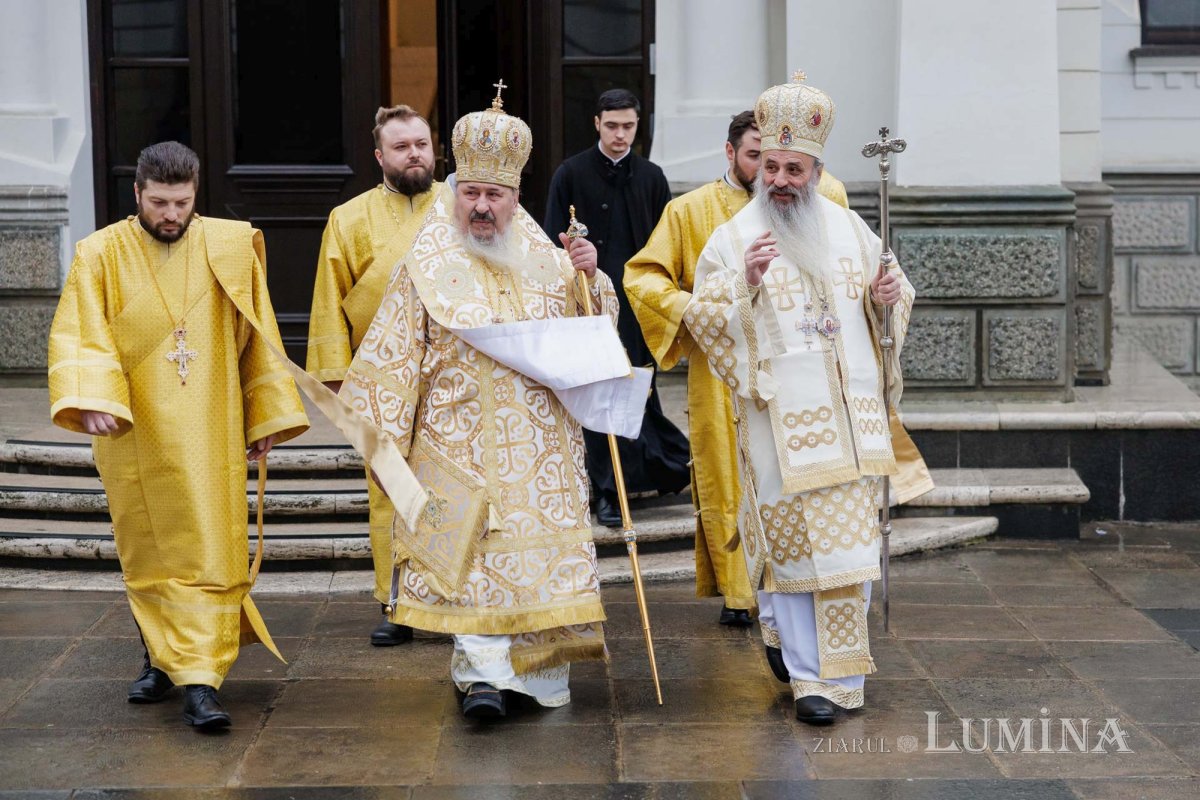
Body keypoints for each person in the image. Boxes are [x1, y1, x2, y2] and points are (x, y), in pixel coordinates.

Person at [341, 87, 640, 719]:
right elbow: (393, 351)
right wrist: (383, 439)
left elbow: (596, 329)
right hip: (458, 443)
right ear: (457, 192)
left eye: (494, 196)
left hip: (540, 452)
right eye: (470, 192)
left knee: (533, 568)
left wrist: (590, 277)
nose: (481, 206)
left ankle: (534, 682)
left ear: (514, 198)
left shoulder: (551, 261)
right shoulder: (425, 264)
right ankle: (481, 680)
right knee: (473, 565)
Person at [47, 141, 308, 730]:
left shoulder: (229, 245)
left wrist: (264, 414)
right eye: (160, 202)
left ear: (196, 196)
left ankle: (200, 679)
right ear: (137, 194)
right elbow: (81, 335)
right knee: (147, 547)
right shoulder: (99, 254)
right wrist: (90, 400)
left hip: (212, 422)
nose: (171, 214)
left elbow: (258, 331)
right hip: (134, 426)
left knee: (208, 546)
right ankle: (158, 660)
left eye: (181, 203)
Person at [682, 74, 914, 725]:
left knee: (847, 550)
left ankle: (839, 671)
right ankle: (813, 680)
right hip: (780, 424)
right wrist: (747, 291)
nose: (781, 178)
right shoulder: (734, 239)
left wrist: (887, 302)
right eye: (771, 164)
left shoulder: (849, 229)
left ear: (817, 168)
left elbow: (887, 299)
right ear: (755, 162)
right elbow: (707, 320)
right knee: (794, 551)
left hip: (853, 423)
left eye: (795, 167)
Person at [624, 110, 859, 627]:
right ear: (731, 153)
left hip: (803, 379)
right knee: (730, 478)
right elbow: (643, 277)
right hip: (722, 375)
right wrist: (698, 313)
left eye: (782, 164)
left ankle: (796, 593)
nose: (770, 175)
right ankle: (741, 592)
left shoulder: (827, 197)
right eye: (757, 158)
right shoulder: (691, 211)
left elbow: (850, 273)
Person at [307, 104, 442, 647]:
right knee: (389, 488)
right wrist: (339, 384)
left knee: (453, 486)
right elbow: (328, 303)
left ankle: (451, 593)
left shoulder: (463, 208)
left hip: (448, 372)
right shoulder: (349, 217)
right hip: (378, 376)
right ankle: (396, 600)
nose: (415, 154)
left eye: (422, 144)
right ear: (380, 156)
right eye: (403, 146)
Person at [543, 88, 690, 527]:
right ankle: (607, 491)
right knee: (599, 399)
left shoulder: (652, 177)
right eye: (612, 126)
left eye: (628, 126)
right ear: (596, 124)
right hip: (588, 308)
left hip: (639, 309)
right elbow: (554, 240)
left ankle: (642, 477)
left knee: (637, 395)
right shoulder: (570, 174)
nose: (621, 135)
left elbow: (668, 245)